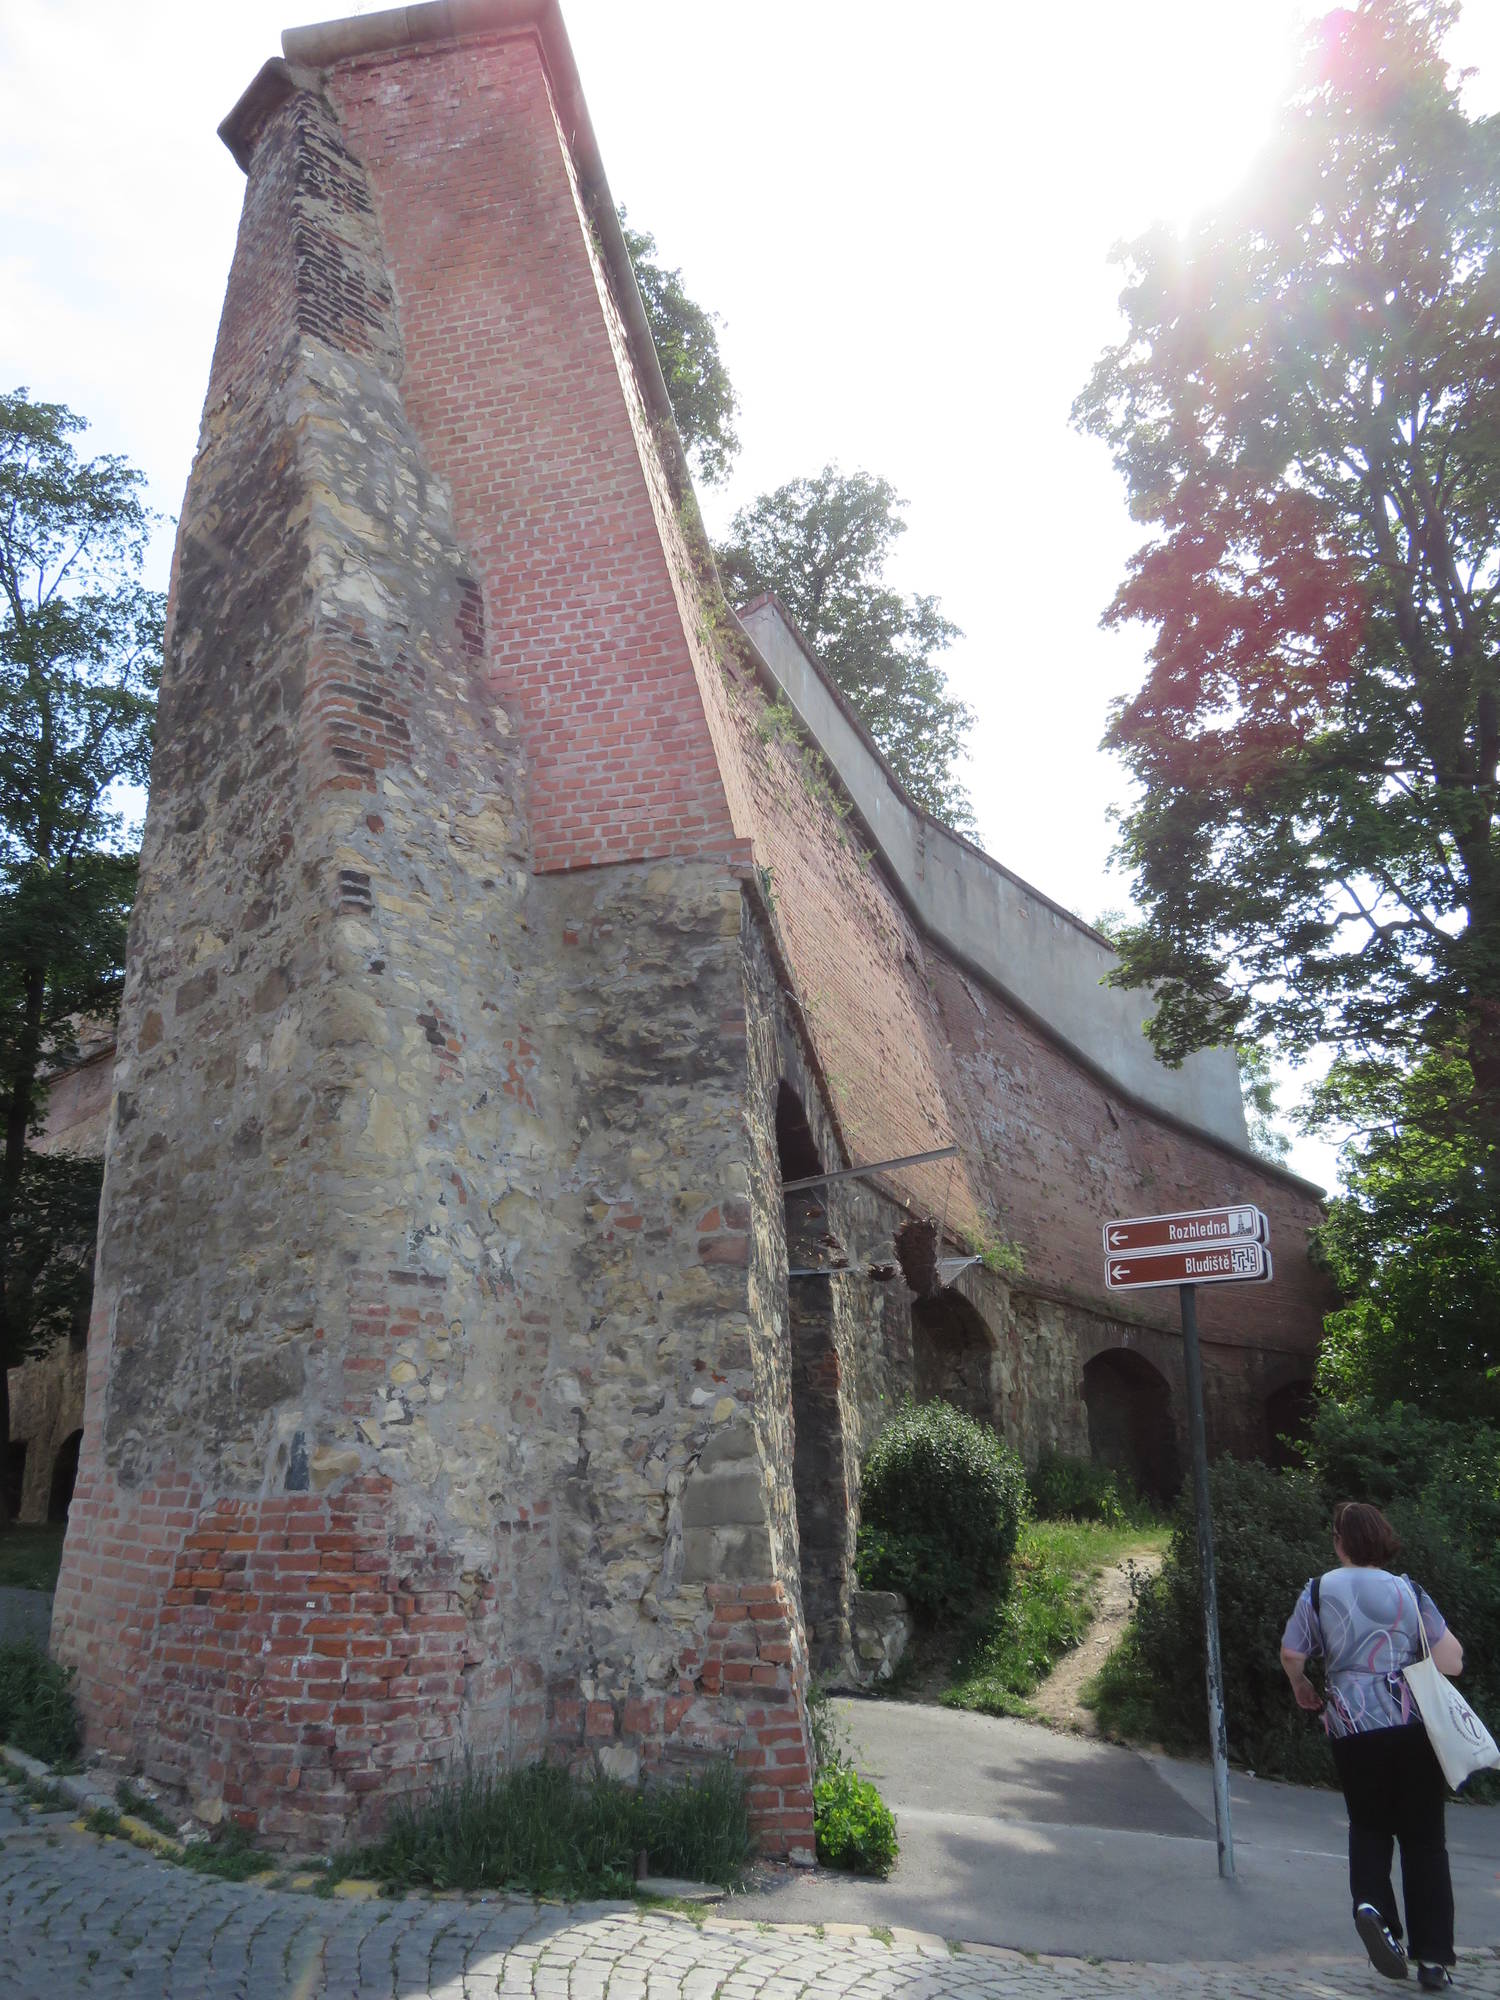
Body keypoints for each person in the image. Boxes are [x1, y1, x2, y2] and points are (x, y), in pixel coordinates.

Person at [1281, 1499, 1464, 1991]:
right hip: (1413, 1729)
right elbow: (1452, 1661)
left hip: (1352, 1728)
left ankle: (1374, 1911)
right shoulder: (1409, 1591)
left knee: (1368, 1827)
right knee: (1424, 1840)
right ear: (1382, 1539)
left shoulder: (1318, 1590)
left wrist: (1302, 1685)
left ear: (1340, 1542)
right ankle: (1433, 1960)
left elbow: (1292, 1652)